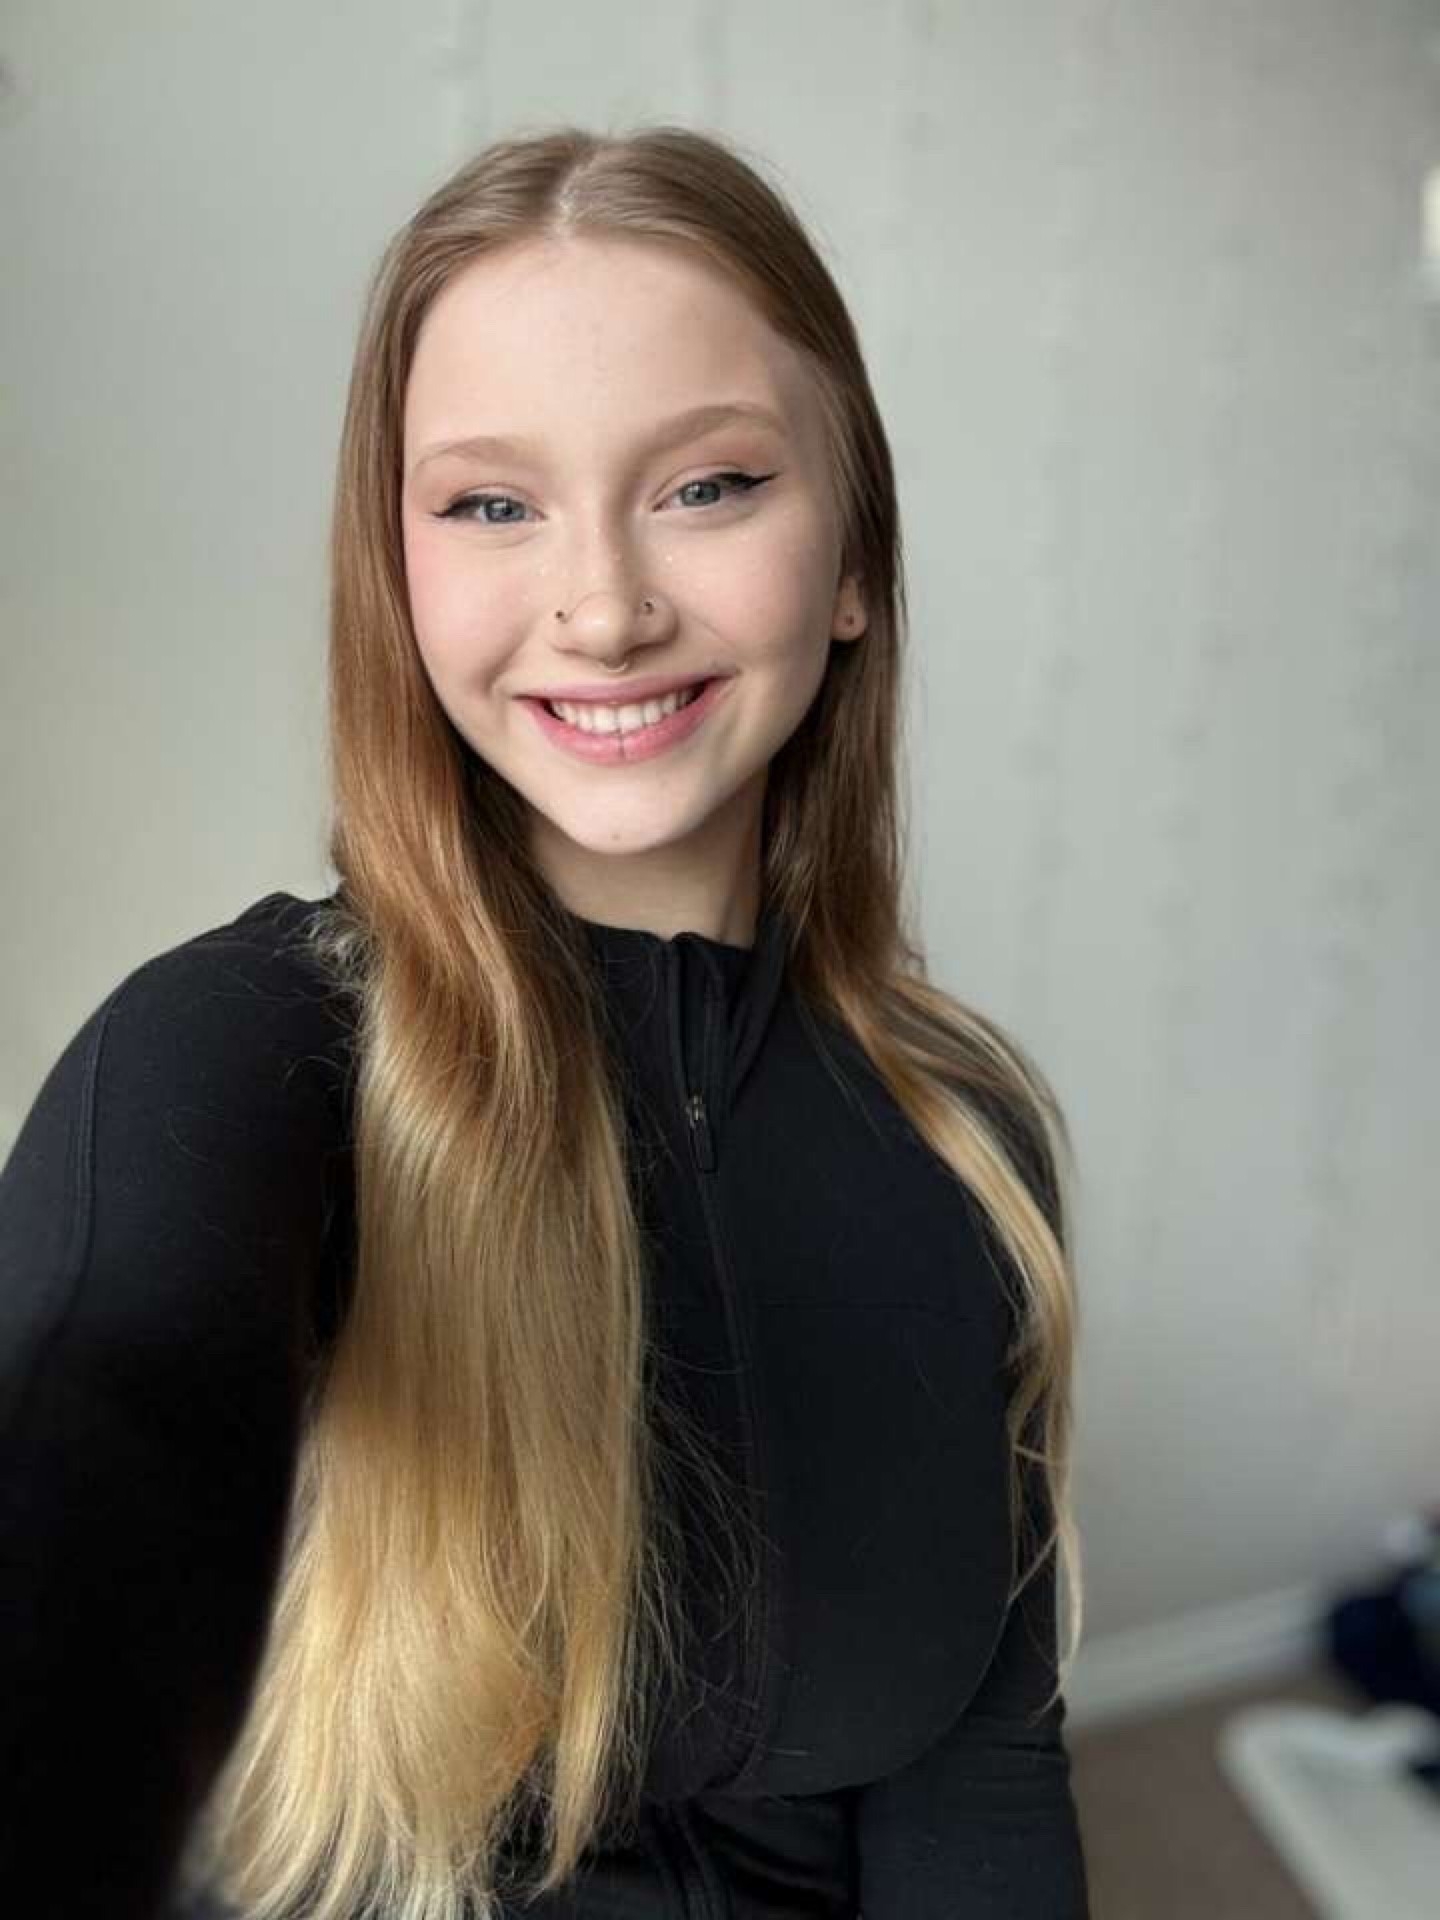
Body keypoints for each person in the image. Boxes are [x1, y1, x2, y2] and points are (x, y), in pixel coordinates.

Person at [0, 123, 1090, 1920]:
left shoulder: (969, 1131)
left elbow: (982, 1780)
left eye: (708, 485)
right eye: (492, 505)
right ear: (399, 573)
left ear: (853, 563)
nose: (603, 609)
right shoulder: (234, 1054)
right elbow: (100, 1455)